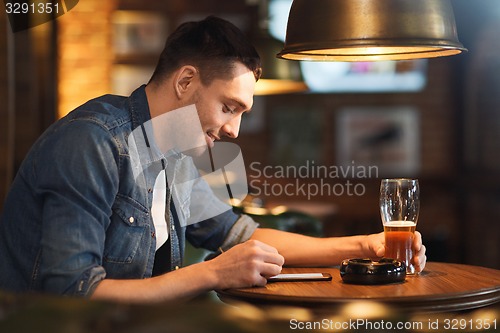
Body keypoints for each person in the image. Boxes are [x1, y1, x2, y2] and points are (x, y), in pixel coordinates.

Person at [0, 16, 426, 303]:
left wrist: (364, 245)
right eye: (229, 107)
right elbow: (70, 292)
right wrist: (213, 274)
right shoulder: (91, 144)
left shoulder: (173, 152)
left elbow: (239, 235)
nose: (234, 131)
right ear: (186, 80)